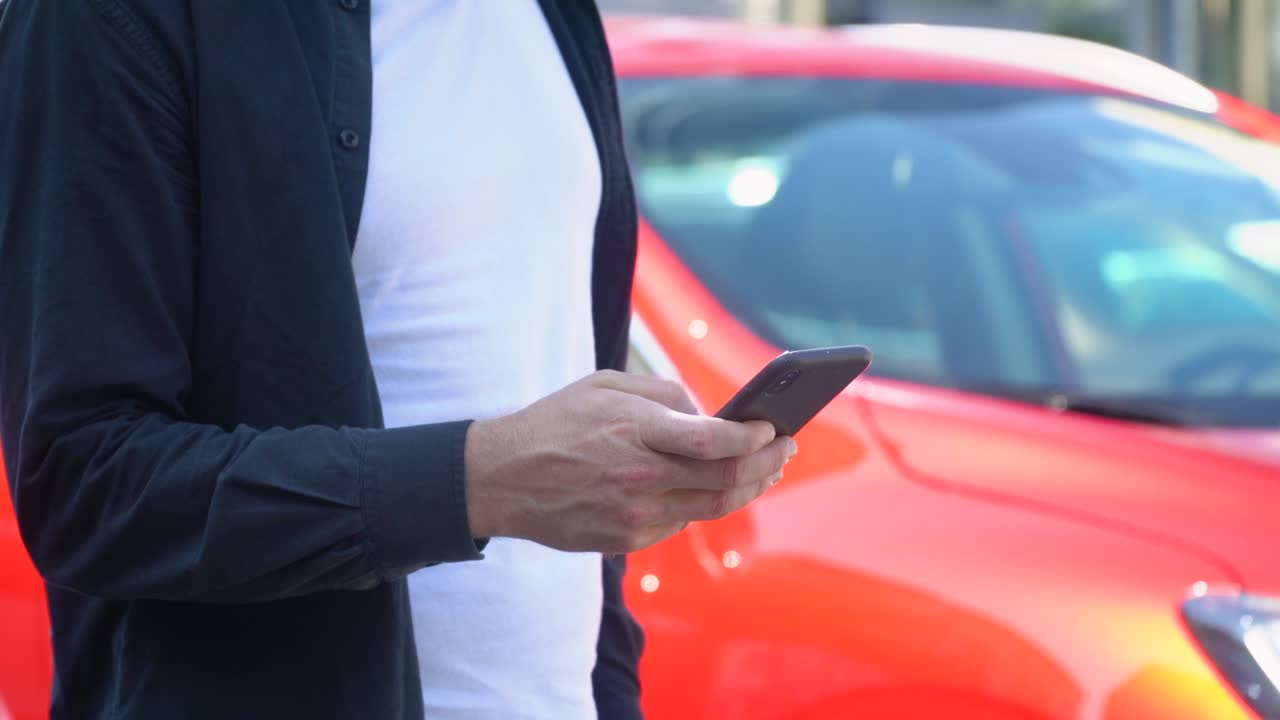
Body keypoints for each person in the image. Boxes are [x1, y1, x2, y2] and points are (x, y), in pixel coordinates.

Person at [0, 1, 796, 719]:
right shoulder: (106, 20)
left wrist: (609, 689)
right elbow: (84, 479)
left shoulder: (555, 17)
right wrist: (477, 481)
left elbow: (559, 373)